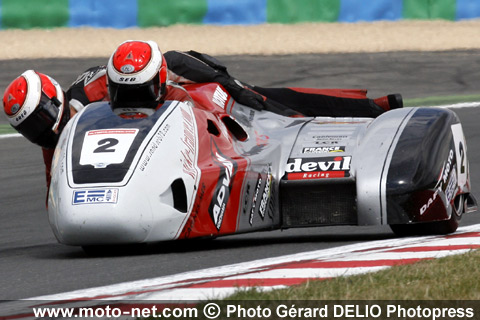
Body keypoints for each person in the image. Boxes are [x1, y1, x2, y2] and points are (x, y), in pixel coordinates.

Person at [3, 40, 403, 200]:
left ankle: (374, 110)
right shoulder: (58, 135)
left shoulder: (100, 91)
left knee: (268, 104)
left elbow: (168, 74)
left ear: (53, 99)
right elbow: (55, 182)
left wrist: (223, 83)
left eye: (40, 118)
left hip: (188, 84)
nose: (40, 129)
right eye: (30, 127)